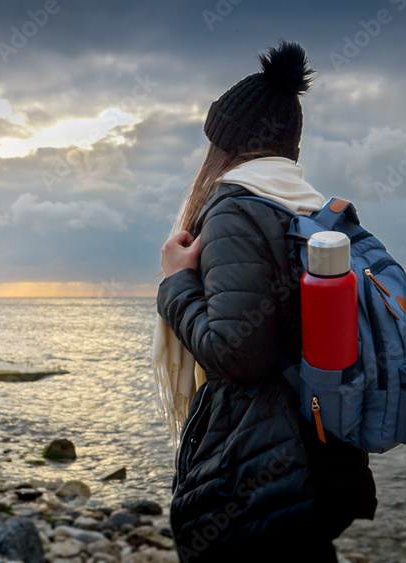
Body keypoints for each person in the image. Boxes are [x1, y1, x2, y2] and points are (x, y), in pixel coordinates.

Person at [152, 40, 377, 562]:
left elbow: (237, 354)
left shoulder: (234, 211)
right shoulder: (310, 209)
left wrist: (175, 284)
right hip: (321, 449)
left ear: (225, 144)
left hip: (254, 464)